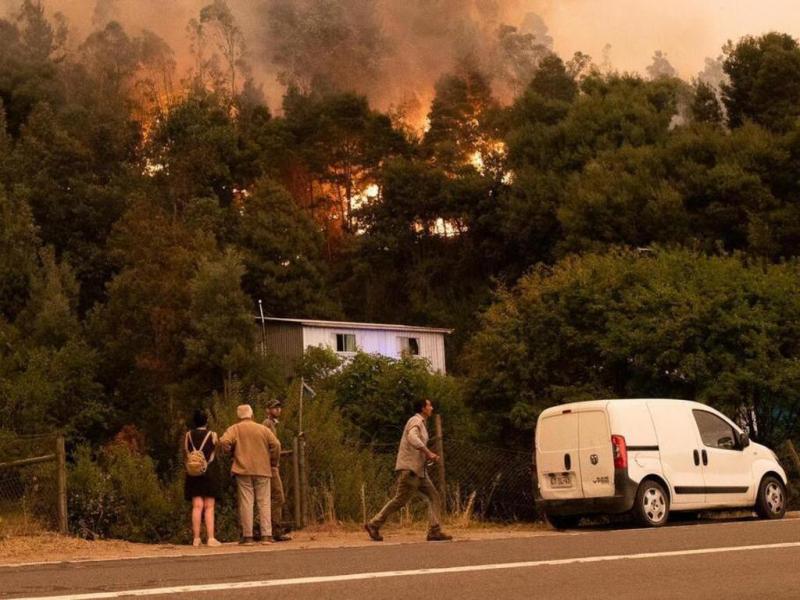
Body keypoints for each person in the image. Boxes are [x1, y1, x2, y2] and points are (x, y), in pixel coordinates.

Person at [364, 398, 452, 542]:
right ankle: (374, 524)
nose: (432, 408)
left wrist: (426, 455)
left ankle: (434, 531)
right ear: (423, 408)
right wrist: (427, 452)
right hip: (411, 471)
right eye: (429, 406)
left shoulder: (421, 424)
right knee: (400, 500)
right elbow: (412, 437)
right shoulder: (415, 421)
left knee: (434, 496)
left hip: (419, 472)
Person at [220, 404, 281, 545]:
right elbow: (276, 445)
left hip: (243, 469)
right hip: (263, 469)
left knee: (247, 503)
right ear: (252, 415)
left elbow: (223, 441)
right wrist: (273, 461)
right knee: (264, 502)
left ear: (238, 416)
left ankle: (248, 537)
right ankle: (266, 535)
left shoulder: (234, 428)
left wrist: (230, 452)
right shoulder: (262, 429)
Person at [183, 409, 222, 547]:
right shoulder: (212, 435)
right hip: (208, 471)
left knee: (197, 506)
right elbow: (216, 450)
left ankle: (196, 538)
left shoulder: (188, 435)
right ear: (207, 421)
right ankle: (211, 538)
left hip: (193, 473)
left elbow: (187, 452)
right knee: (209, 506)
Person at [262, 398, 291, 541]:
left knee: (273, 497)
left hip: (270, 465)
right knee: (278, 497)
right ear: (268, 410)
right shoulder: (267, 424)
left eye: (279, 407)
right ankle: (275, 529)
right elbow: (272, 445)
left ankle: (272, 528)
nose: (278, 410)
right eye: (274, 408)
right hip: (271, 466)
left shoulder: (272, 424)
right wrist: (274, 461)